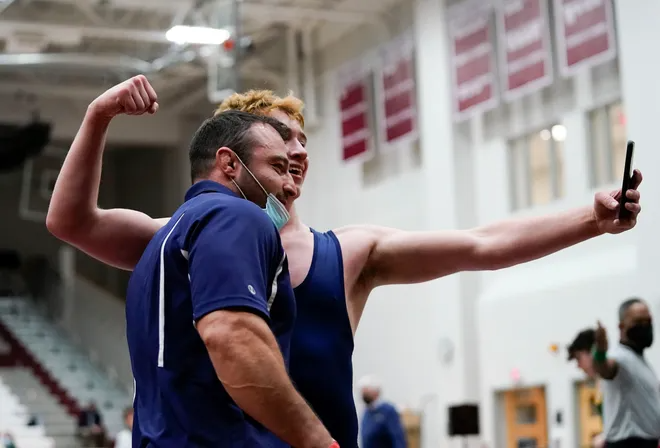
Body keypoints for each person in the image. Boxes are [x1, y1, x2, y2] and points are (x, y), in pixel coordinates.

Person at [46, 75, 644, 448]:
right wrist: (98, 114)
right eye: (282, 139)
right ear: (239, 158)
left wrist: (589, 220)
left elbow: (480, 244)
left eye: (303, 139)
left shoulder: (351, 251)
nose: (297, 150)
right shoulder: (184, 234)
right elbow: (71, 221)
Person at [125, 109, 335, 447]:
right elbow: (231, 336)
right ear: (230, 163)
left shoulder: (165, 239)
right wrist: (320, 442)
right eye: (278, 167)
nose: (289, 184)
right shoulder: (235, 215)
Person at [593, 298, 660, 448]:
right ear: (622, 327)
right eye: (638, 322)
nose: (645, 326)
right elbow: (605, 368)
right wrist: (600, 352)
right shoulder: (620, 357)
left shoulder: (641, 361)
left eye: (648, 320)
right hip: (628, 443)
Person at [568, 328, 604, 448]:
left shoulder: (610, 380)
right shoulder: (600, 383)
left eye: (579, 358)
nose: (578, 366)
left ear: (592, 352)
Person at [358, 376, 407, 448]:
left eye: (366, 390)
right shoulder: (366, 412)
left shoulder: (388, 410)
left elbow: (398, 438)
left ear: (375, 391)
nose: (363, 393)